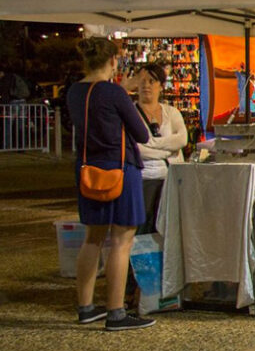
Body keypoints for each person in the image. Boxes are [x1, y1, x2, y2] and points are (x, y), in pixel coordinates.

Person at [65, 37, 154, 330]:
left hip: (88, 170)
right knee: (121, 240)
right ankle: (116, 311)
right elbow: (141, 134)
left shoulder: (74, 92)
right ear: (113, 62)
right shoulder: (114, 93)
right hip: (120, 169)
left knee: (92, 238)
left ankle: (86, 307)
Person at [133, 62, 189, 230]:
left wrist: (152, 143)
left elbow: (181, 139)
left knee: (167, 228)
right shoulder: (130, 112)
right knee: (142, 228)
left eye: (151, 81)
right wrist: (166, 151)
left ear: (161, 86)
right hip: (143, 178)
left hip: (170, 178)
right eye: (142, 81)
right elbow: (135, 149)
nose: (146, 86)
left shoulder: (171, 112)